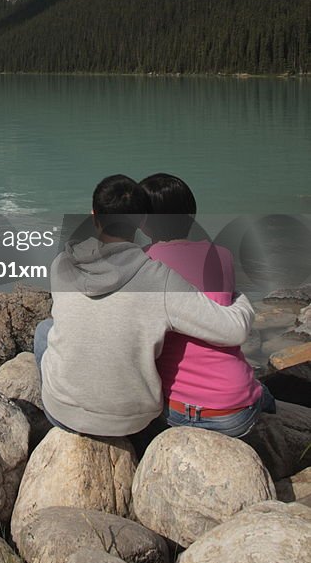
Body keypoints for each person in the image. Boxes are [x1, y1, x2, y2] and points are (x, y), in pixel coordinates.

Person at [34, 174, 256, 437]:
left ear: (94, 216)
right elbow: (232, 331)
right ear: (141, 222)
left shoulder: (61, 264)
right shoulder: (159, 277)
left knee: (44, 330)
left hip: (61, 413)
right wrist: (238, 297)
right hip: (131, 422)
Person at [140, 172, 275, 437]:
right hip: (232, 413)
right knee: (264, 391)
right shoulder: (221, 256)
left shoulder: (142, 263)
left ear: (143, 223)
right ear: (191, 214)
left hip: (172, 409)